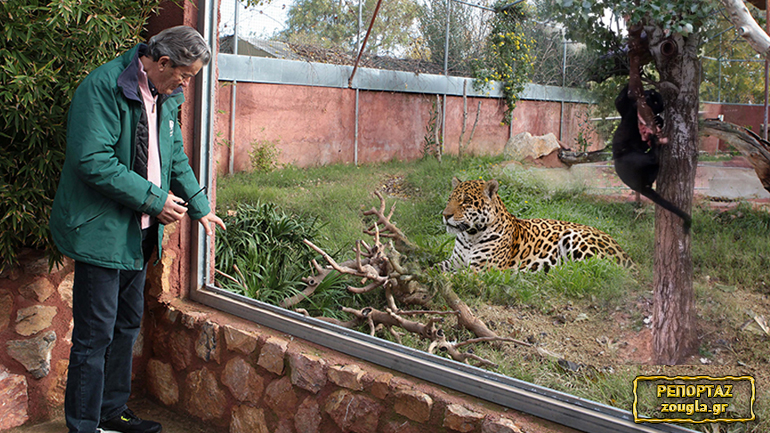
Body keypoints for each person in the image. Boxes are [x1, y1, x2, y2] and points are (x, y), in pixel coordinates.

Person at [49, 26, 226, 433]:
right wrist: (154, 200)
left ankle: (111, 414)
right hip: (101, 233)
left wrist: (199, 205)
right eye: (185, 75)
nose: (186, 84)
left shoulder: (164, 95)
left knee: (126, 326)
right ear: (163, 62)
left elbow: (173, 153)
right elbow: (92, 160)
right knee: (94, 338)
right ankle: (84, 426)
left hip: (139, 232)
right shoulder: (103, 87)